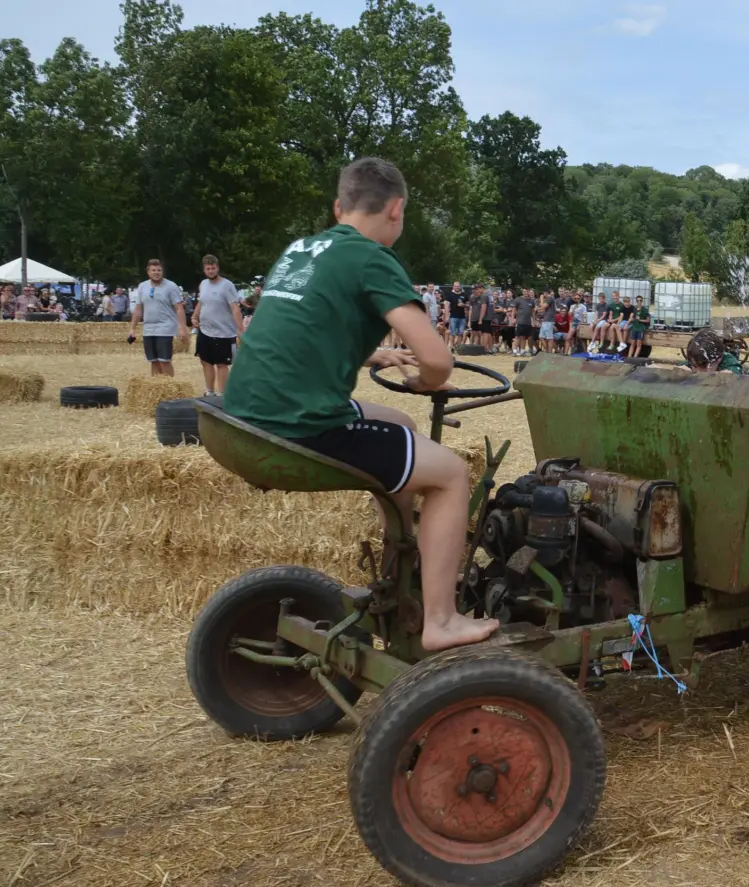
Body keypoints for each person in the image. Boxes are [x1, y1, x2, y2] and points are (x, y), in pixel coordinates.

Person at [224, 156, 498, 651]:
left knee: (393, 423)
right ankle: (440, 619)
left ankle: (401, 549)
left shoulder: (302, 250)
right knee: (452, 474)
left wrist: (379, 353)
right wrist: (423, 381)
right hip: (302, 424)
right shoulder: (372, 258)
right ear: (396, 210)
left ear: (338, 206)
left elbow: (303, 331)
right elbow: (438, 360)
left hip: (245, 415)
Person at [192, 254, 244, 395]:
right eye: (208, 269)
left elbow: (235, 308)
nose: (211, 271)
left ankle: (222, 395)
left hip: (224, 332)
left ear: (218, 268)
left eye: (213, 268)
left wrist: (240, 329)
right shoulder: (203, 284)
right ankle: (209, 391)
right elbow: (201, 302)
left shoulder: (227, 285)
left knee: (222, 364)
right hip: (205, 330)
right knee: (206, 361)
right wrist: (194, 315)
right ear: (204, 270)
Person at [128, 259, 188, 376]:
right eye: (153, 270)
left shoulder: (171, 286)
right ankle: (157, 388)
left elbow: (179, 308)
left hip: (165, 328)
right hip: (148, 329)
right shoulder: (142, 286)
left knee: (164, 361)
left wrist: (182, 328)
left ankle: (169, 387)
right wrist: (132, 328)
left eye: (159, 270)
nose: (156, 272)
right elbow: (138, 309)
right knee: (153, 361)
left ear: (162, 271)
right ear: (148, 272)